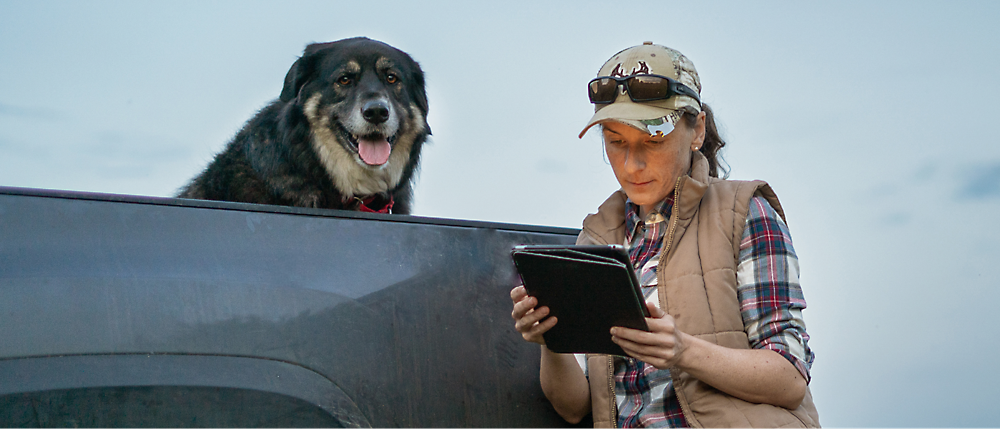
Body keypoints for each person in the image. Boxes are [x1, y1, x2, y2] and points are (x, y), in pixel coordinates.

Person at [510, 42, 821, 428]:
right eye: (615, 141)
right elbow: (574, 408)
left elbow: (789, 378)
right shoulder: (595, 240)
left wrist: (682, 351)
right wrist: (550, 340)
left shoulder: (746, 212)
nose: (631, 164)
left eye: (652, 142)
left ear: (697, 130)